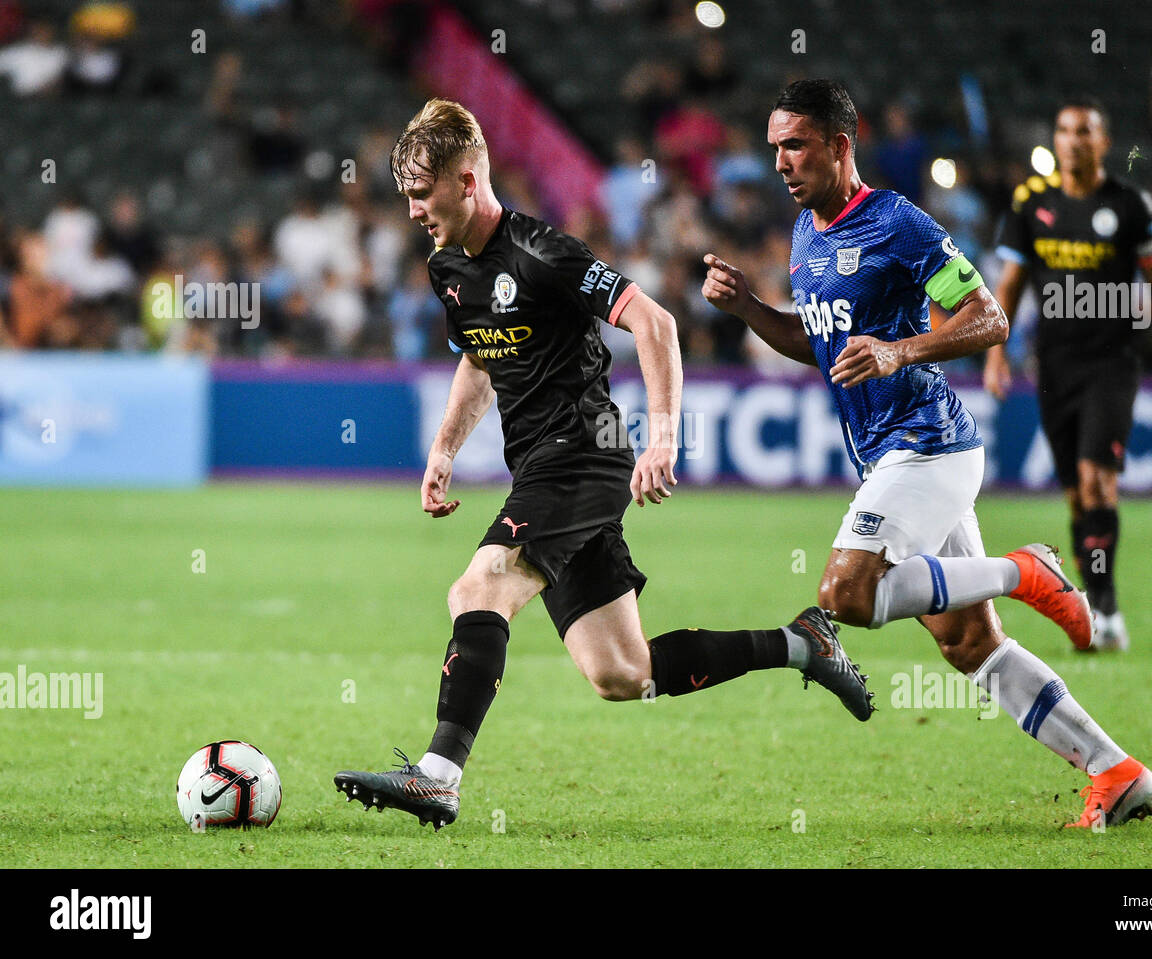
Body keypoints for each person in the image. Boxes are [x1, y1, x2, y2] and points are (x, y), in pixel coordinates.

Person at [334, 99, 873, 830]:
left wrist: (661, 437)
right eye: (405, 195)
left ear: (467, 180)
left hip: (584, 454)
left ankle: (438, 775)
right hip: (541, 468)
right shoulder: (446, 267)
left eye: (421, 193)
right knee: (622, 672)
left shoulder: (543, 253)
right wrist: (445, 447)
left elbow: (656, 321)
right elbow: (478, 358)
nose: (412, 209)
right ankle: (801, 643)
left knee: (479, 586)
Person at [703, 79, 1152, 830]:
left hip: (928, 444)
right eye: (774, 147)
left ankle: (1025, 569)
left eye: (795, 145)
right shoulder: (806, 234)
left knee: (845, 594)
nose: (781, 162)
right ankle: (1117, 769)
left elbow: (991, 316)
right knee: (971, 645)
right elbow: (817, 345)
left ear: (839, 146)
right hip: (890, 454)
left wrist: (900, 350)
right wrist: (750, 309)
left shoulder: (897, 223)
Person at [984, 96, 1152, 651]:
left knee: (1096, 479)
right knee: (1077, 499)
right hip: (1054, 367)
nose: (1073, 140)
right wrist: (994, 353)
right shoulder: (1030, 203)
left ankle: (1105, 610)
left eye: (1085, 131)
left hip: (1113, 364)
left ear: (1104, 142)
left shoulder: (1130, 205)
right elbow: (1008, 285)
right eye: (1064, 130)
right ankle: (1092, 596)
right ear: (1054, 140)